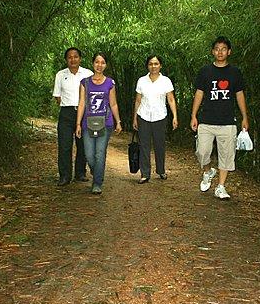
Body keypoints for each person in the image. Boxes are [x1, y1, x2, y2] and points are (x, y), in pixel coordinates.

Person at [190, 36, 250, 200]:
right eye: (217, 49)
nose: (220, 52)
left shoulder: (235, 72)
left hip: (227, 121)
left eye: (223, 49)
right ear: (212, 51)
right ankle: (208, 171)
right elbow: (199, 94)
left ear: (229, 52)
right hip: (206, 120)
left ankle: (221, 186)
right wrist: (193, 115)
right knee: (202, 152)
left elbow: (239, 95)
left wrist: (244, 117)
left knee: (227, 155)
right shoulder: (205, 71)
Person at [75, 53, 123, 194]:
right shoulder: (85, 82)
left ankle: (97, 183)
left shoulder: (110, 83)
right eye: (97, 62)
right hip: (87, 123)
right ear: (93, 64)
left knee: (100, 154)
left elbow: (113, 104)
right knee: (89, 155)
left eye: (102, 62)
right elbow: (82, 103)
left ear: (105, 65)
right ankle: (96, 170)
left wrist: (118, 121)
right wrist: (78, 124)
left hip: (105, 122)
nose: (99, 65)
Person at [132, 55, 178, 183]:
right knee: (144, 146)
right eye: (151, 64)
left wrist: (175, 116)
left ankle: (161, 170)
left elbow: (171, 99)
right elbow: (138, 100)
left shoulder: (166, 81)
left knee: (160, 145)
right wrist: (135, 118)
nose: (153, 66)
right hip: (144, 116)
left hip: (160, 116)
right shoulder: (141, 81)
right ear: (148, 66)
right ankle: (145, 174)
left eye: (156, 64)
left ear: (160, 65)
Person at [52, 47, 92, 186]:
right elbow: (57, 96)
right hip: (66, 113)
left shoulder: (88, 74)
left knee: (83, 145)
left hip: (84, 113)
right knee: (64, 145)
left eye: (75, 56)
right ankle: (64, 176)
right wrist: (69, 106)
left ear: (80, 58)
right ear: (66, 59)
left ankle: (80, 173)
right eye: (69, 57)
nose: (73, 59)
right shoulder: (60, 75)